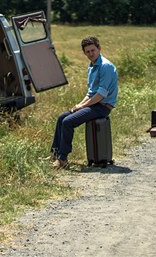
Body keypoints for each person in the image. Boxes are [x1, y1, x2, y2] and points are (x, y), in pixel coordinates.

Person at [42, 35, 118, 169]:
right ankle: (55, 154)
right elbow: (90, 92)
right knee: (62, 117)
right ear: (84, 53)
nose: (90, 54)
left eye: (93, 50)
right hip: (94, 104)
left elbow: (100, 95)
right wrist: (78, 106)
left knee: (68, 122)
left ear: (99, 49)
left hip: (102, 107)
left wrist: (82, 106)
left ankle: (63, 160)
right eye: (87, 52)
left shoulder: (105, 66)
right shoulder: (92, 66)